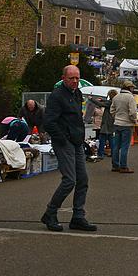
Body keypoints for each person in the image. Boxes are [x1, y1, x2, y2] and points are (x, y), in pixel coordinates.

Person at [41, 65, 96, 232]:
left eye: (77, 78)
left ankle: (78, 216)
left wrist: (81, 137)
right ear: (63, 78)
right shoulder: (56, 96)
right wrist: (62, 139)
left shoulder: (77, 93)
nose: (75, 81)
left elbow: (77, 117)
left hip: (77, 141)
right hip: (64, 142)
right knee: (69, 180)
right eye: (71, 78)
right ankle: (50, 213)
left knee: (83, 180)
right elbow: (49, 122)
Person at [111, 80, 138, 173]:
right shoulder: (130, 97)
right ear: (129, 88)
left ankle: (115, 165)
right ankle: (123, 166)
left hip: (117, 123)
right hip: (127, 124)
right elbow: (133, 112)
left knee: (116, 146)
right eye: (132, 87)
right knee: (125, 146)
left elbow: (112, 110)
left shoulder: (116, 97)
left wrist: (116, 117)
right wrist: (134, 120)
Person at [98, 91, 117, 159]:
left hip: (106, 123)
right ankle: (113, 153)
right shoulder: (114, 102)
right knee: (111, 139)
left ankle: (100, 154)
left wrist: (91, 99)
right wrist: (102, 99)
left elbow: (100, 104)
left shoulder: (110, 103)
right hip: (111, 122)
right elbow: (107, 101)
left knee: (102, 139)